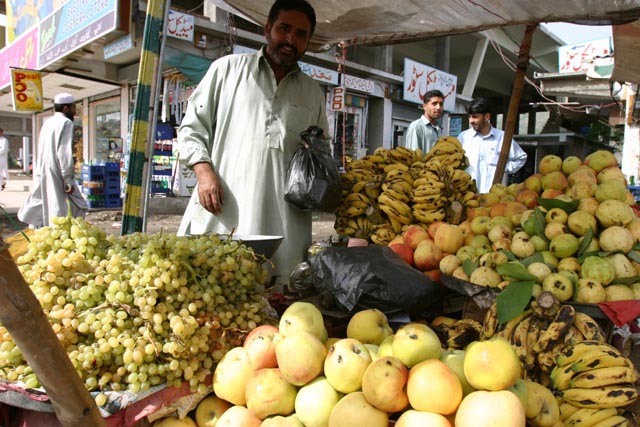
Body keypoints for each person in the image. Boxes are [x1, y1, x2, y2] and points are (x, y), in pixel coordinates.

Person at [175, 0, 328, 281]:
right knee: (212, 291)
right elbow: (191, 128)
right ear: (268, 29)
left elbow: (321, 153)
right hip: (224, 211)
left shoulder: (313, 92)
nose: (291, 39)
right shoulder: (227, 70)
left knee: (276, 303)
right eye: (284, 28)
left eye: (301, 34)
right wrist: (203, 170)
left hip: (285, 224)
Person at [18, 93, 87, 228]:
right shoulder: (66, 123)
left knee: (47, 202)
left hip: (43, 169)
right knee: (63, 207)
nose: (74, 111)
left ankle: (44, 230)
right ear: (66, 108)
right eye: (73, 108)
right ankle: (59, 235)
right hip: (56, 170)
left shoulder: (48, 123)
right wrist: (68, 178)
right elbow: (63, 152)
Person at [458, 98, 527, 193]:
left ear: (487, 117)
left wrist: (505, 168)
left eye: (475, 117)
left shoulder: (503, 138)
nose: (471, 121)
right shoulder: (463, 137)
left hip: (494, 197)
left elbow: (521, 157)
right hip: (468, 196)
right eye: (469, 117)